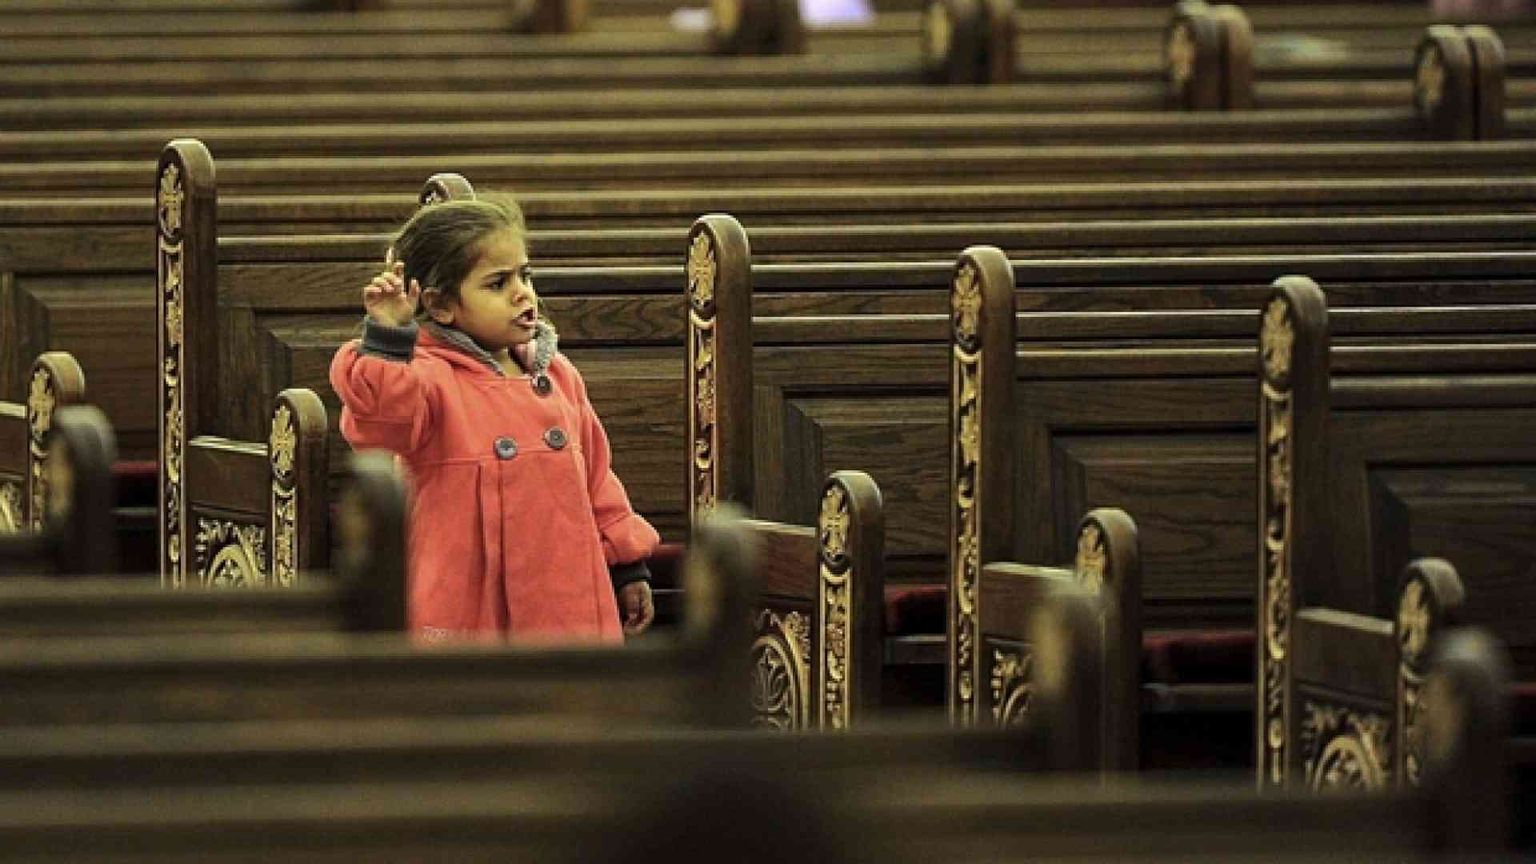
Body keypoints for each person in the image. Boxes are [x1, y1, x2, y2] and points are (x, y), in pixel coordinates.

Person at [329, 195, 658, 644]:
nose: (522, 293)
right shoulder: (429, 378)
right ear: (441, 306)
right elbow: (382, 424)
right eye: (498, 283)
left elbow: (597, 477)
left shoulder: (556, 375)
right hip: (470, 604)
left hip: (568, 599)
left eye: (525, 275)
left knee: (573, 703)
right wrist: (388, 339)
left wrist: (625, 564)